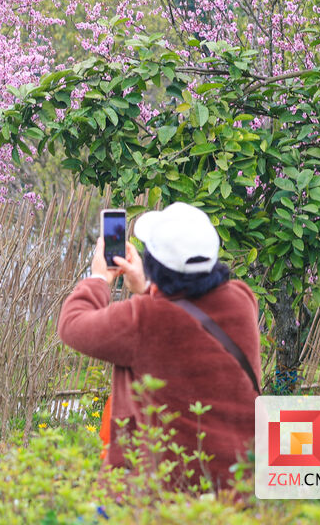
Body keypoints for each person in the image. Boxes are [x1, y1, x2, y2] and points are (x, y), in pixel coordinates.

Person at [58, 202, 261, 491]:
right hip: (239, 483)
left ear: (154, 265)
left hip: (166, 492)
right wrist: (145, 287)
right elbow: (183, 314)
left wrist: (99, 278)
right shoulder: (242, 300)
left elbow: (72, 324)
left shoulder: (144, 319)